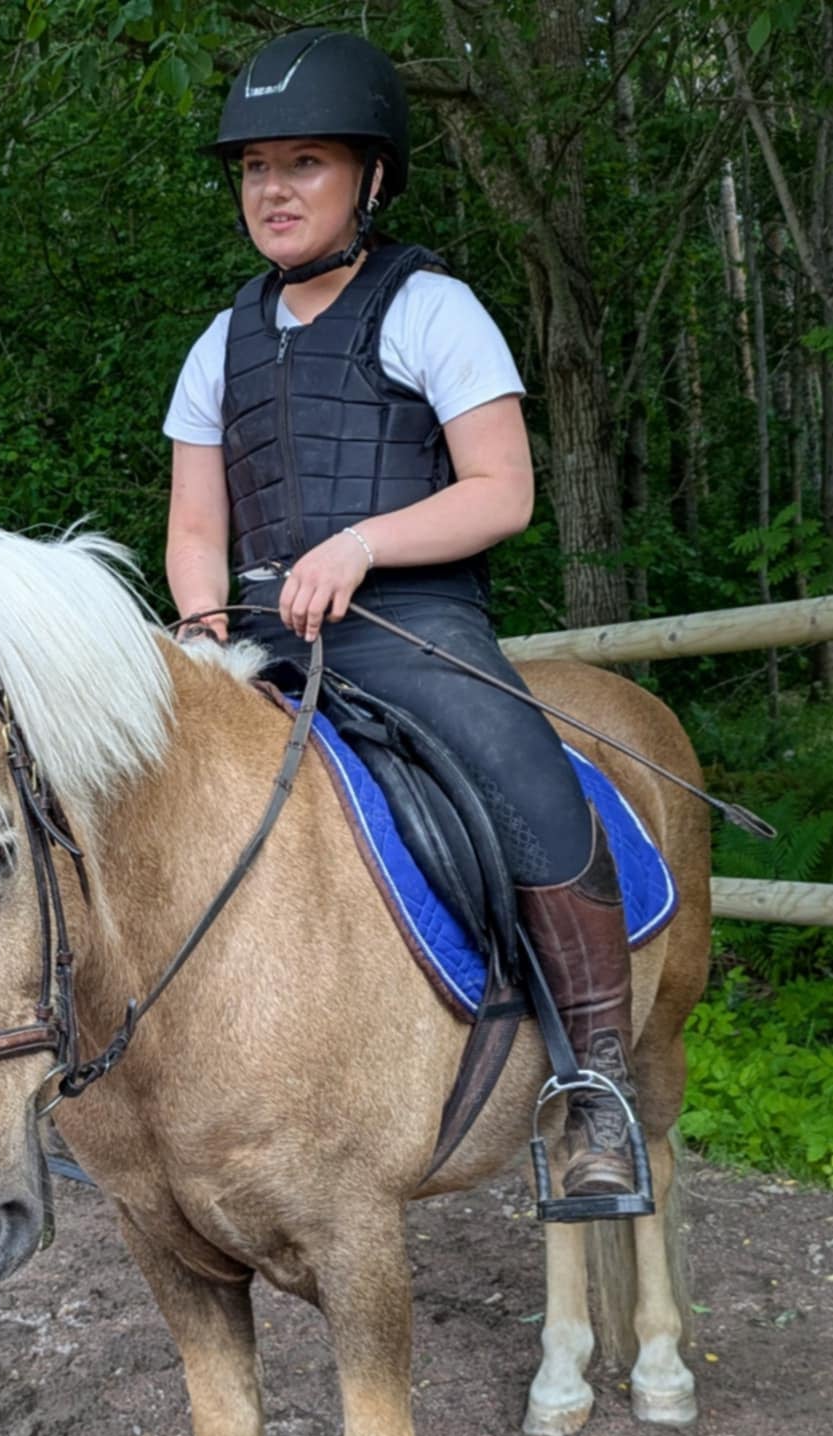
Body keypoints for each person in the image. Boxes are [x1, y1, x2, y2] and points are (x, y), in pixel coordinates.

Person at [163, 26, 643, 1207]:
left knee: (529, 777)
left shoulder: (432, 308)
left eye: (304, 163)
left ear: (371, 176)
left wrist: (363, 543)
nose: (273, 190)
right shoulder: (217, 344)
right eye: (255, 168)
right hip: (256, 637)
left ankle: (594, 1091)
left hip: (410, 624)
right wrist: (201, 622)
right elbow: (192, 526)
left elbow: (503, 489)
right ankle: (120, 1091)